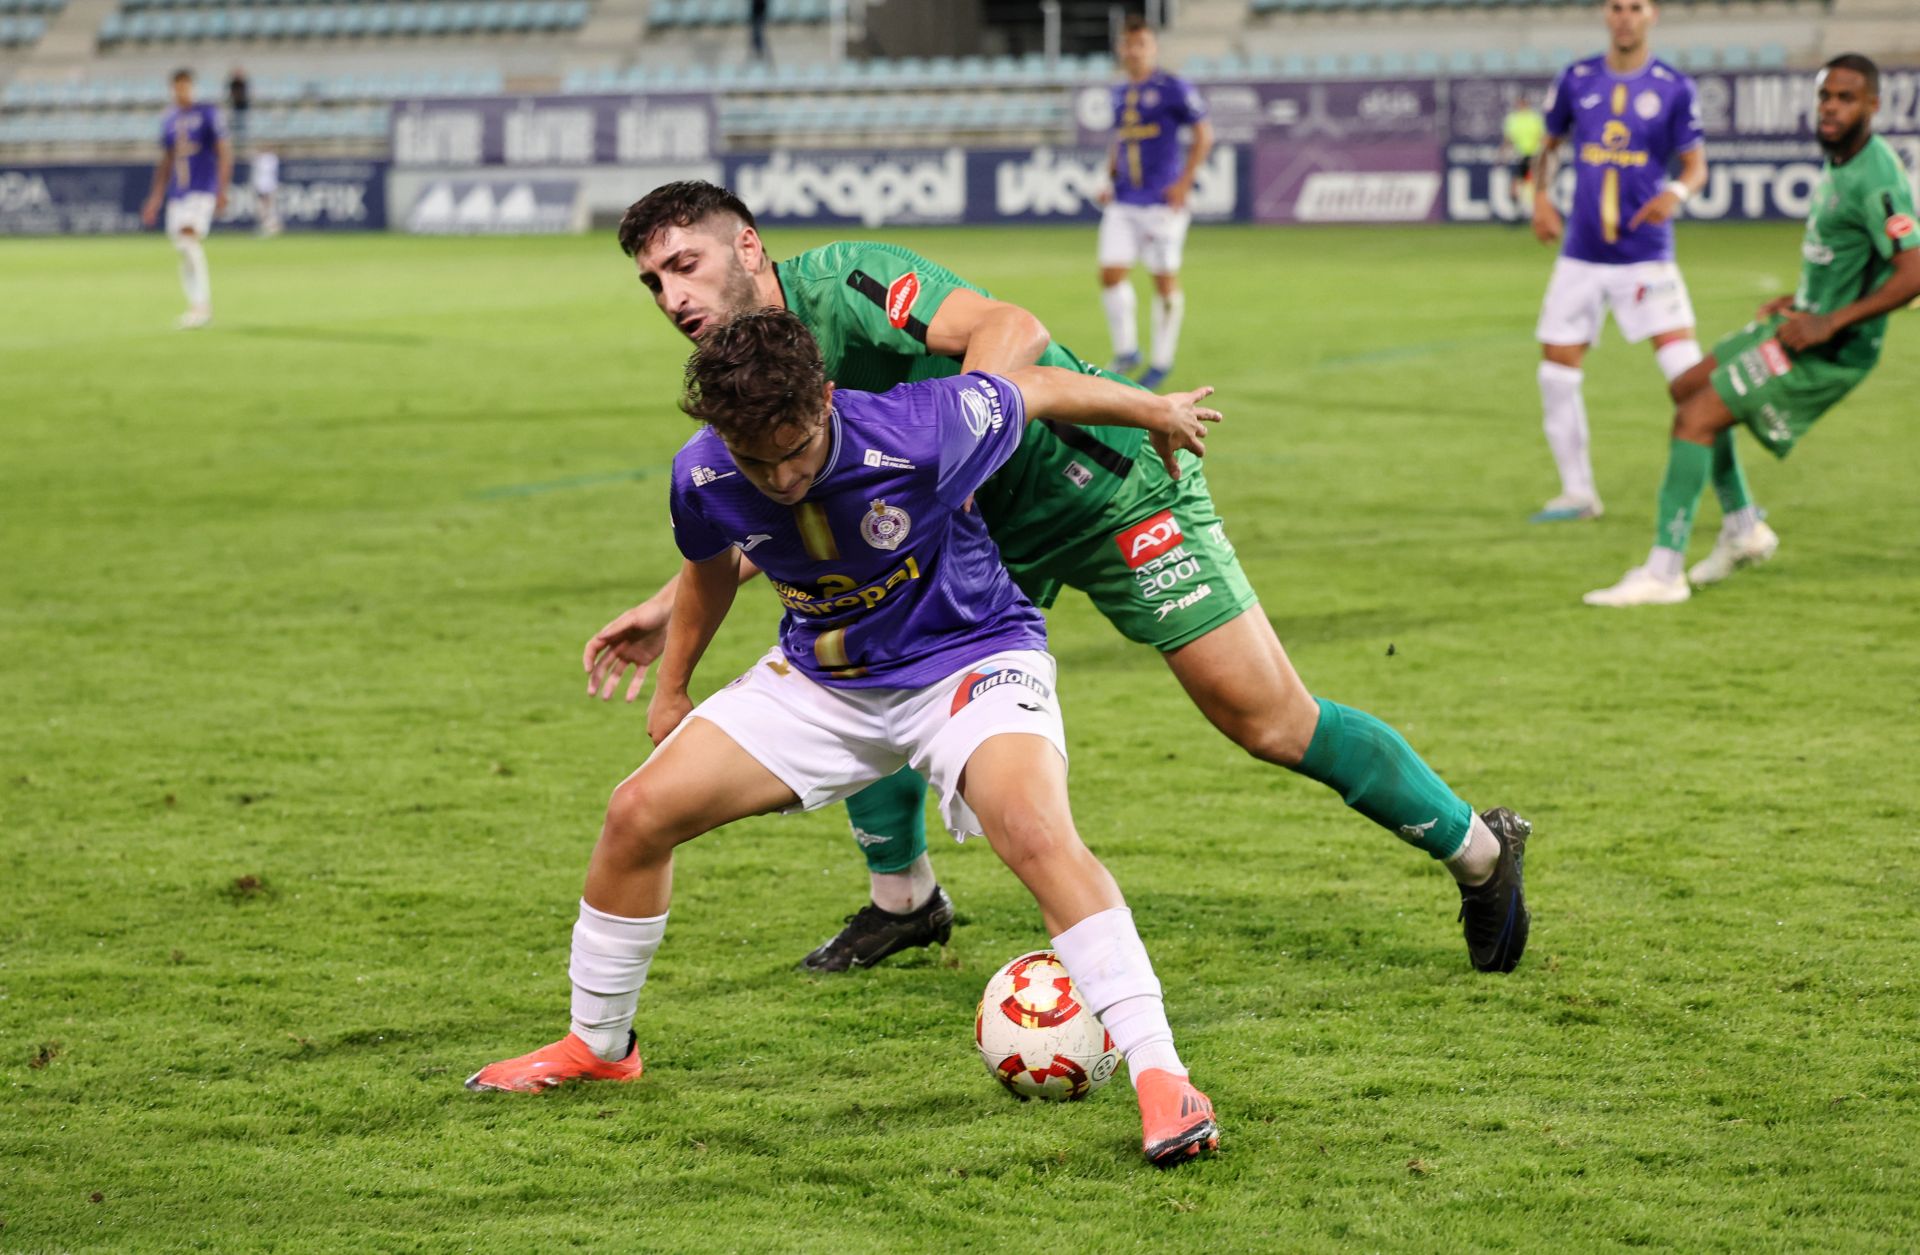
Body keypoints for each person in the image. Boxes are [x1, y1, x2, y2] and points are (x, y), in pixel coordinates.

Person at [587, 182, 1534, 978]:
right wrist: (675, 603)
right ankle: (905, 900)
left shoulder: (846, 284)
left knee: (1265, 718)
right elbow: (812, 513)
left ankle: (1480, 852)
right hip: (973, 529)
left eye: (685, 266)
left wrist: (966, 459)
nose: (672, 298)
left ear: (746, 246)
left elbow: (1013, 328)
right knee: (877, 659)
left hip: (1106, 483)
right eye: (651, 283)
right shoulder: (749, 375)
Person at [470, 310, 1226, 1168]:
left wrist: (1155, 411)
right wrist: (675, 685)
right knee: (638, 811)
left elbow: (1039, 384)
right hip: (825, 683)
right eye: (759, 460)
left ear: (827, 398)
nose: (782, 476)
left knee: (1033, 829)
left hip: (969, 660)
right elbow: (710, 565)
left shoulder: (923, 425)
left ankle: (1164, 1077)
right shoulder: (703, 471)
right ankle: (598, 1048)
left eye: (796, 449)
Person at [1585, 55, 1920, 606]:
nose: (1832, 108)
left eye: (1846, 98)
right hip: (1798, 323)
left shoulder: (1878, 176)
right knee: (1687, 387)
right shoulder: (1842, 160)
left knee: (1697, 419)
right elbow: (1850, 258)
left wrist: (1828, 320)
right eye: (1826, 97)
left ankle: (1664, 573)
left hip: (1831, 349)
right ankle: (1744, 529)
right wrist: (1805, 300)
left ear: (1873, 105)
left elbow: (1911, 273)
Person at [1528, 0, 1708, 523]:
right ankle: (1578, 494)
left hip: (1644, 256)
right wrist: (1541, 198)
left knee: (1689, 378)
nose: (1625, 16)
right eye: (1616, 7)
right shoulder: (1576, 78)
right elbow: (1549, 144)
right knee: (1555, 371)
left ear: (1653, 15)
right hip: (1581, 253)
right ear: (1605, 16)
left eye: (1635, 7)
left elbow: (1696, 166)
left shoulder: (1674, 86)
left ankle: (1730, 497)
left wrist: (1675, 191)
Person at [1097, 16, 1212, 389]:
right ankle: (1128, 349)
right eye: (1128, 44)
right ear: (1120, 48)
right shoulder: (1118, 93)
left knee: (1163, 281)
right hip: (1124, 200)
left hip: (1162, 202)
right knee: (1111, 274)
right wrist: (1109, 179)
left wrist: (1184, 183)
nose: (1133, 51)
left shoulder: (1172, 87)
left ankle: (1162, 359)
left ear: (1153, 48)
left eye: (1141, 44)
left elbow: (1203, 133)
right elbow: (1121, 141)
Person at [140, 69, 230, 331]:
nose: (182, 91)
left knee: (188, 240)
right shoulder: (169, 119)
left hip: (202, 188)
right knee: (182, 245)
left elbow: (224, 151)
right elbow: (166, 161)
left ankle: (202, 307)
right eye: (177, 87)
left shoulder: (208, 113)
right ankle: (195, 305)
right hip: (178, 192)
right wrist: (155, 198)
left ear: (193, 87)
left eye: (186, 86)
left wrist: (222, 190)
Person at [1501, 93, 1546, 209]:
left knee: (1534, 183)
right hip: (1519, 155)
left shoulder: (1534, 118)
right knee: (1515, 184)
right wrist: (1503, 154)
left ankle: (1535, 207)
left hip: (1534, 154)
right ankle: (1517, 207)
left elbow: (1542, 137)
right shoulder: (1512, 119)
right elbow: (1508, 139)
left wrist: (1543, 153)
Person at [250, 149, 281, 237]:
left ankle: (271, 226)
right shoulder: (259, 158)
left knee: (267, 207)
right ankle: (268, 226)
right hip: (261, 185)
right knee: (262, 208)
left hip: (267, 186)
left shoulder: (270, 158)